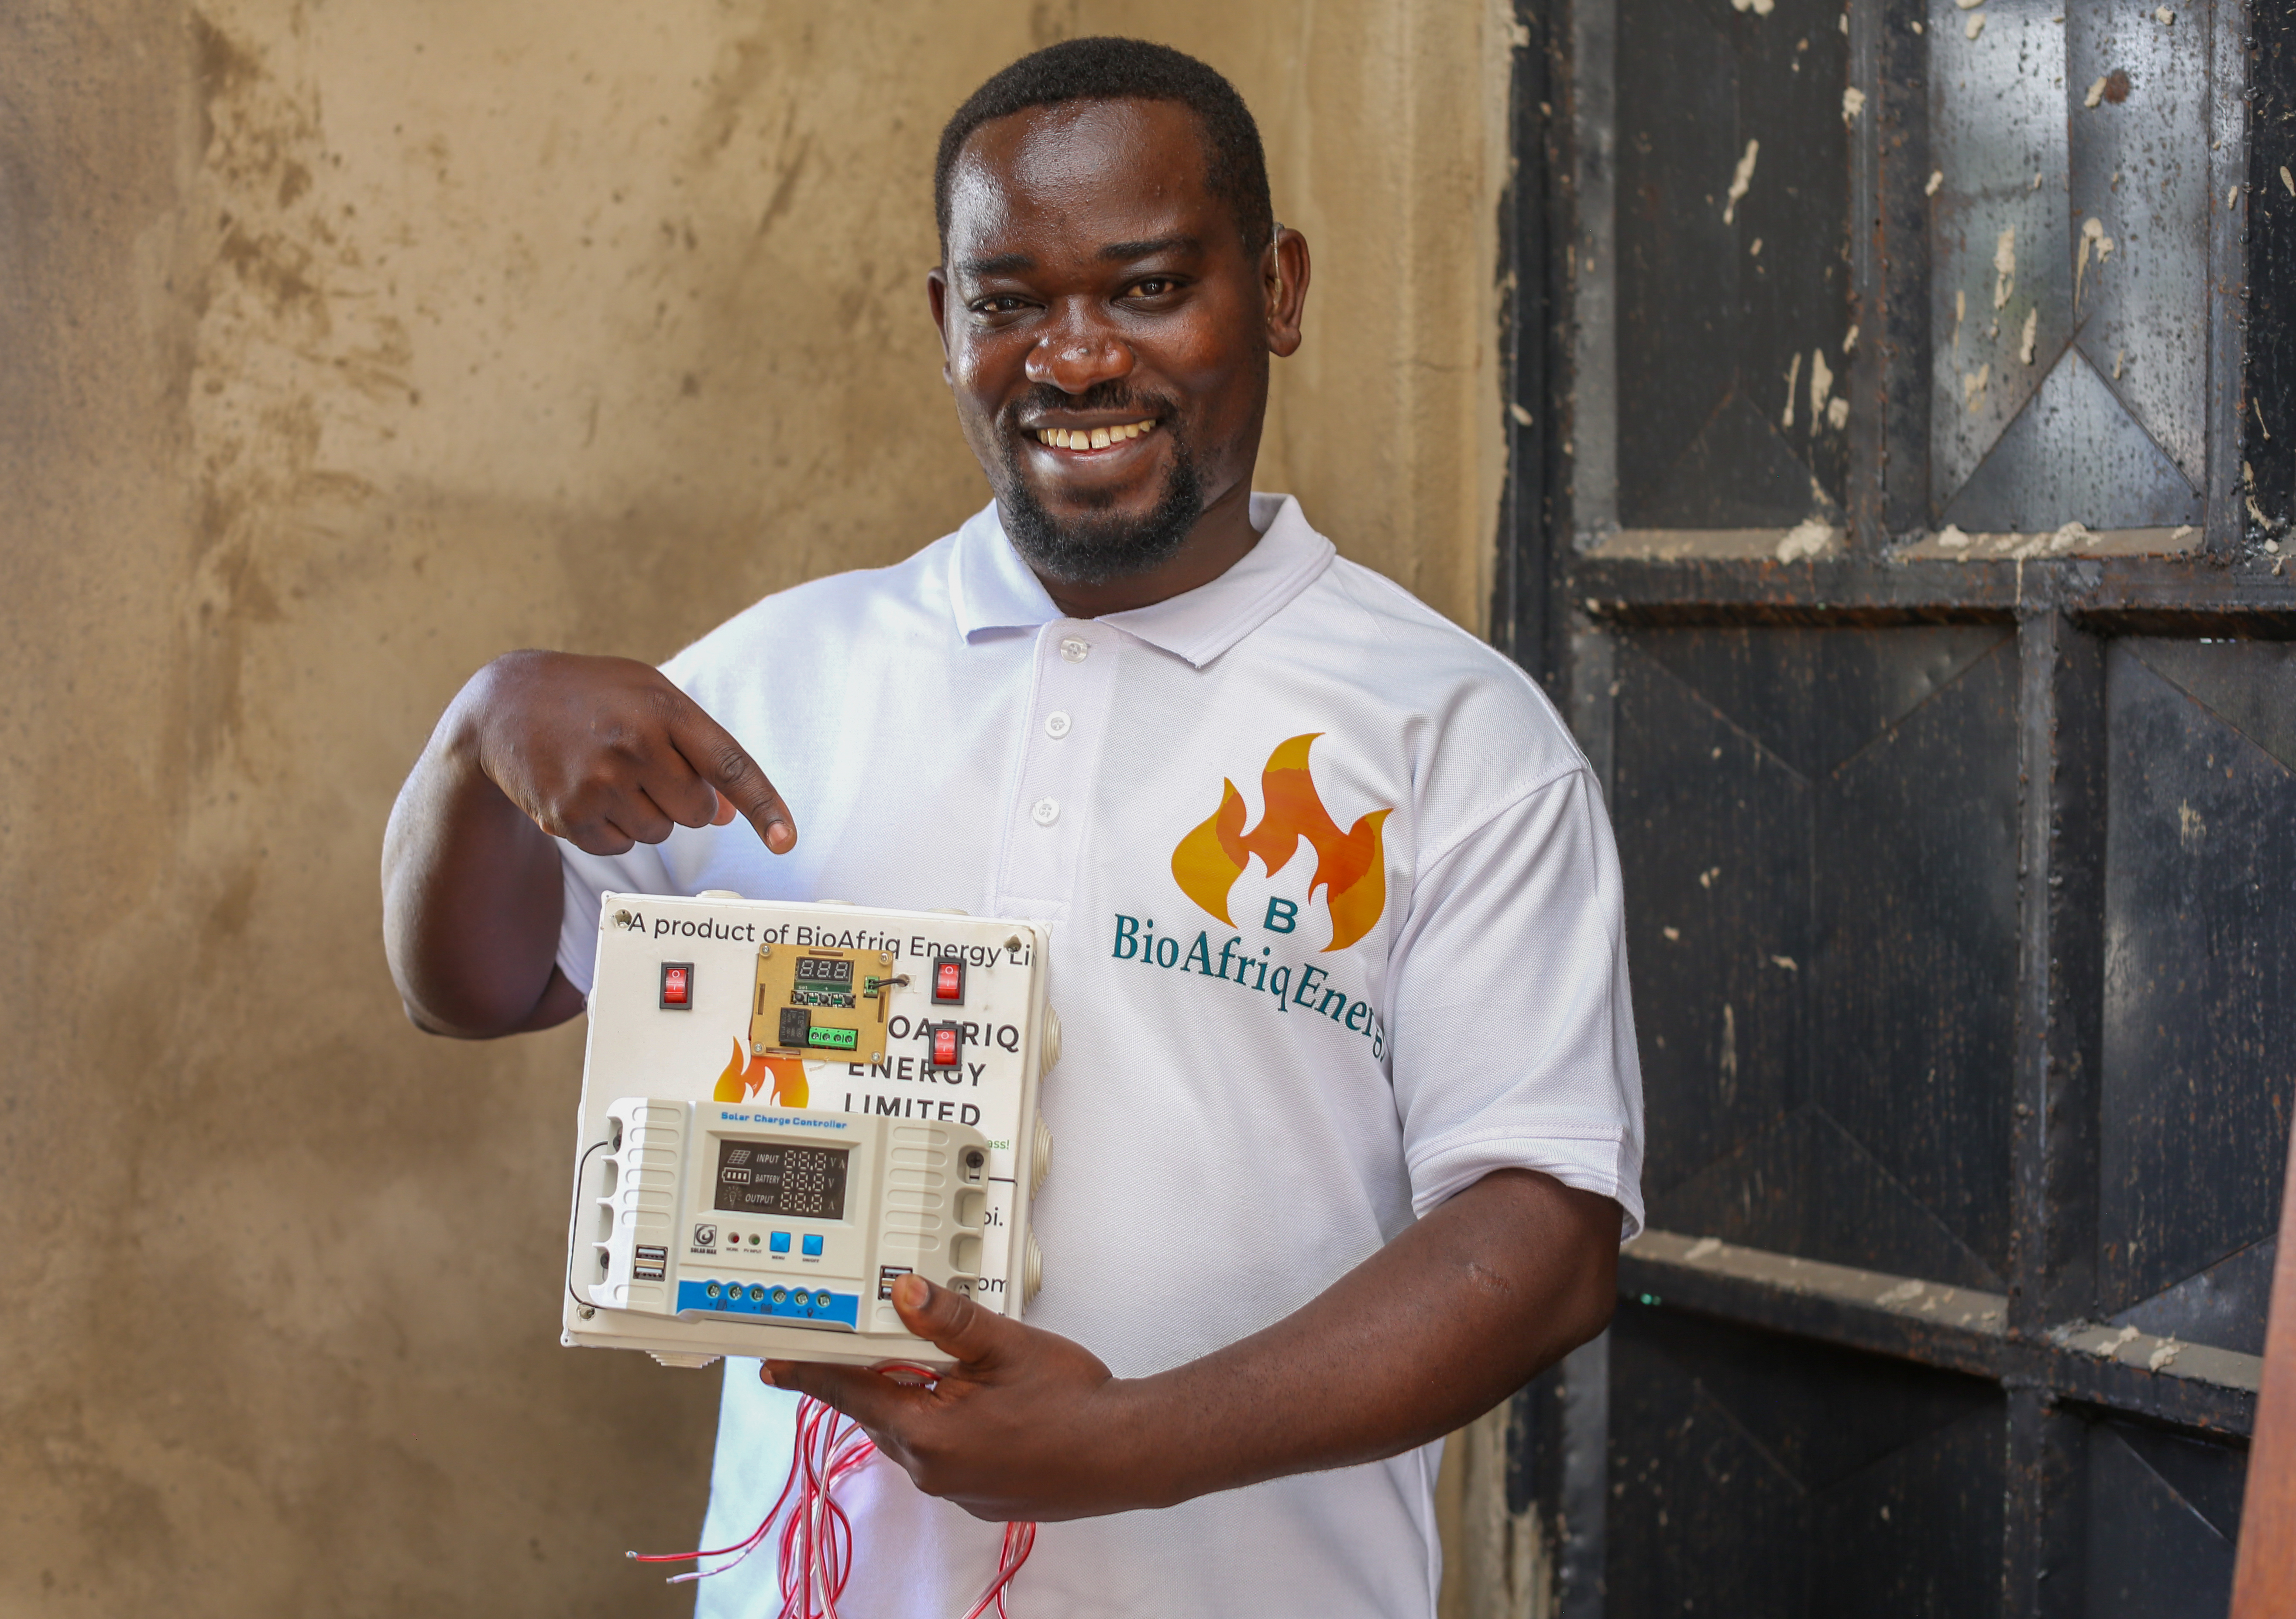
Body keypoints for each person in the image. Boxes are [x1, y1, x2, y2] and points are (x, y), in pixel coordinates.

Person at [382, 36, 1642, 1618]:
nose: (1074, 357)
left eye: (1144, 287)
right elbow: (475, 987)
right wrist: (477, 736)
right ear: (945, 322)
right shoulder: (782, 674)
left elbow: (1542, 1236)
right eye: (1009, 301)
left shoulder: (1453, 734)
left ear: (1281, 292)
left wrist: (1122, 1440)